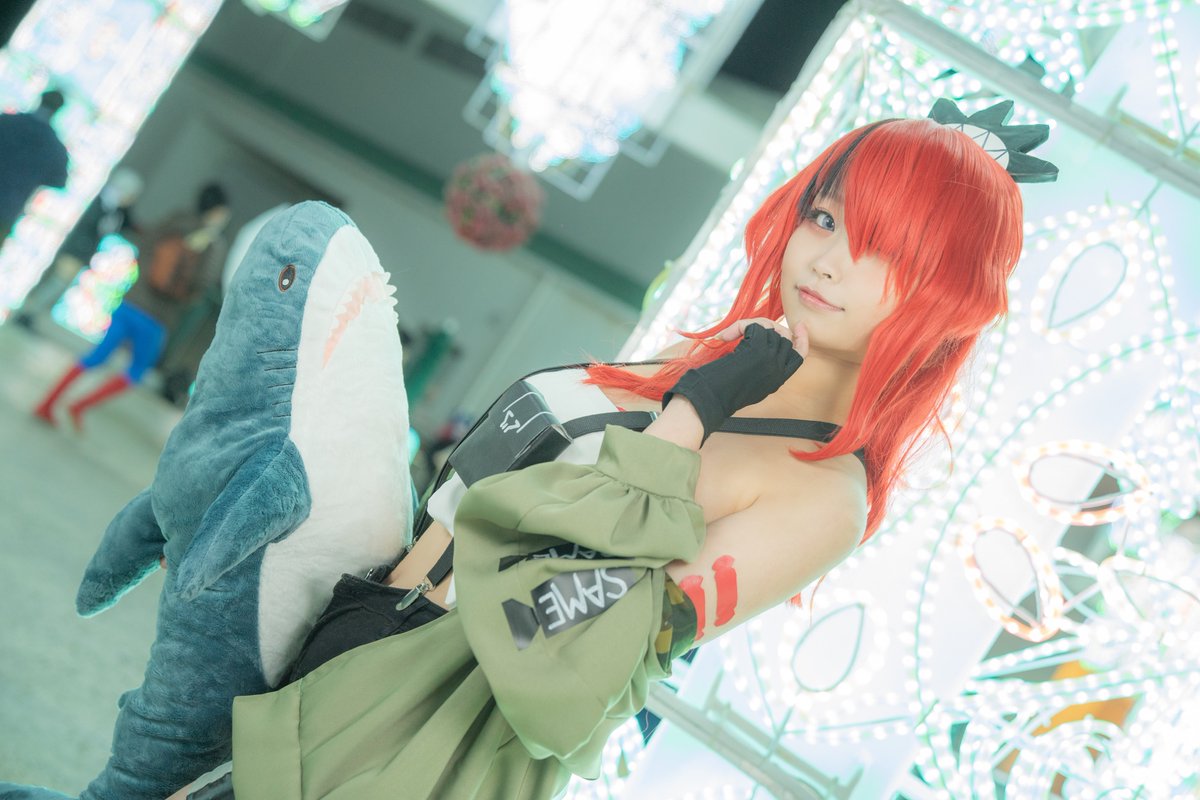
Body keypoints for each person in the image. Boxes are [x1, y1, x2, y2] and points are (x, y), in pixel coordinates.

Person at [160, 101, 1051, 799]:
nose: (827, 261)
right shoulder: (702, 362)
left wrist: (689, 422)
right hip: (344, 629)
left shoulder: (822, 495)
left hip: (425, 730)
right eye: (825, 218)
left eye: (886, 250)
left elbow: (574, 643)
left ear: (948, 295)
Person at [32, 182, 231, 429]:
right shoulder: (213, 244)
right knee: (136, 372)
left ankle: (47, 403)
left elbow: (143, 249)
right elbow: (202, 284)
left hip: (131, 303)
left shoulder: (173, 222)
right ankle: (79, 406)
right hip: (158, 318)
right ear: (218, 211)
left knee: (96, 356)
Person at [12, 167, 143, 329]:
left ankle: (31, 314)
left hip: (82, 253)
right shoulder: (99, 203)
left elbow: (121, 224)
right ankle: (28, 312)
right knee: (56, 283)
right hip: (75, 251)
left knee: (59, 285)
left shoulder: (115, 209)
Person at [0, 88, 70, 241]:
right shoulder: (55, 148)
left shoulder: (6, 122)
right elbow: (59, 181)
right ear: (57, 111)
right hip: (7, 211)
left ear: (40, 100)